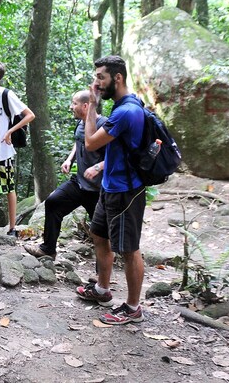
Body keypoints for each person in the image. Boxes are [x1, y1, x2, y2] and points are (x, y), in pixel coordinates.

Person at [74, 55, 147, 325]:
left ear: (118, 78)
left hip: (126, 191)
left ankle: (133, 307)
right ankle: (103, 290)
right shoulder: (121, 107)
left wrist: (91, 107)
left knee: (129, 249)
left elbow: (91, 142)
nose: (96, 83)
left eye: (100, 78)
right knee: (99, 233)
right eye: (96, 78)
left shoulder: (127, 111)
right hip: (110, 186)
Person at [25, 90, 104, 259]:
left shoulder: (104, 125)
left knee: (101, 232)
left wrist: (98, 167)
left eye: (74, 103)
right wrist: (69, 159)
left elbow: (117, 155)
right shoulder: (81, 123)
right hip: (79, 182)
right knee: (53, 203)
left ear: (85, 106)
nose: (71, 106)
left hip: (97, 189)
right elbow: (79, 142)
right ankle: (48, 249)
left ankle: (106, 270)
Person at [0, 60, 36, 237]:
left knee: (8, 189)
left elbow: (30, 115)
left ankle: (12, 228)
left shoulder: (6, 95)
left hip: (3, 152)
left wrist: (10, 131)